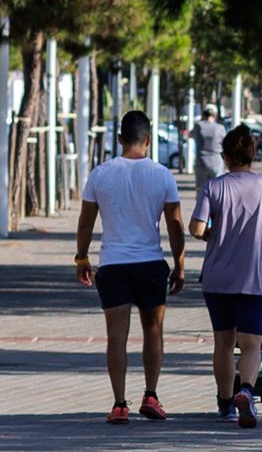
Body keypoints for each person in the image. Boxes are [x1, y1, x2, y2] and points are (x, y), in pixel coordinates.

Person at [75, 110, 186, 424]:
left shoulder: (101, 174)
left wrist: (82, 257)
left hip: (112, 264)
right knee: (153, 332)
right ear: (148, 140)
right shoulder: (162, 175)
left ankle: (119, 403)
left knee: (116, 337)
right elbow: (175, 225)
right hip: (150, 264)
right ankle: (151, 395)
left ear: (120, 139)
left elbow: (85, 223)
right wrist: (179, 264)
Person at [190, 124, 262, 428]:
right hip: (255, 278)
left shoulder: (213, 187)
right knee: (251, 344)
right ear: (252, 154)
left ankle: (226, 403)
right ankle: (247, 392)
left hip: (218, 278)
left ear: (225, 157)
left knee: (223, 343)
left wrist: (214, 233)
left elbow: (196, 229)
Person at [192, 103, 228, 188]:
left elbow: (190, 134)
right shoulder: (220, 128)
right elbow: (226, 142)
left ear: (203, 114)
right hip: (216, 163)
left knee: (201, 191)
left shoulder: (198, 126)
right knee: (217, 191)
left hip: (201, 163)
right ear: (215, 115)